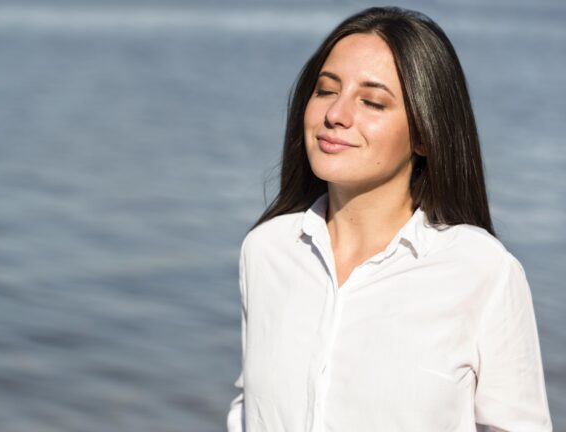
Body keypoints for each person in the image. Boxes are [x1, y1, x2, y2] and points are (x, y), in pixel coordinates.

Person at [226, 6, 551, 432]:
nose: (336, 115)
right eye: (325, 91)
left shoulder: (482, 271)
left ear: (424, 133)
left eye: (372, 102)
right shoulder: (266, 250)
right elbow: (251, 411)